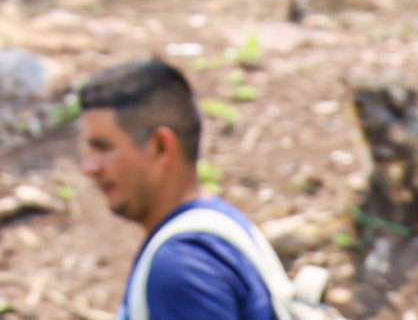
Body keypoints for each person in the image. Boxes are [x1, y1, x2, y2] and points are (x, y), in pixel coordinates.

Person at [77, 59, 280, 320]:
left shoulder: (181, 265)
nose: (89, 167)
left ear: (161, 146)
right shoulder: (223, 226)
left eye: (103, 147)